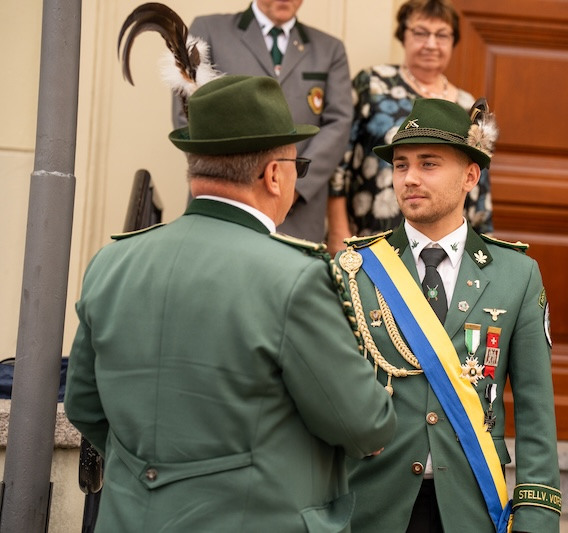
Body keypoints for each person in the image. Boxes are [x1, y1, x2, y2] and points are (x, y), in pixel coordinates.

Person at [66, 75, 397, 532]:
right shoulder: (293, 276)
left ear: (195, 169)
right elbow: (363, 423)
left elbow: (84, 404)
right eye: (297, 166)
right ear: (274, 175)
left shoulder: (111, 262)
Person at [335, 98, 560, 532]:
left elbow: (535, 411)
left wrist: (537, 517)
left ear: (470, 177)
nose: (410, 178)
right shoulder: (355, 270)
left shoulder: (516, 275)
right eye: (400, 165)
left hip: (471, 505)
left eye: (429, 164)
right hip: (372, 505)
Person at [172, 0, 352, 243]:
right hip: (225, 207)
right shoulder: (209, 31)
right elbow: (188, 114)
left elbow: (339, 123)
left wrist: (291, 185)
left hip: (298, 213)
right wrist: (238, 184)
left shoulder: (329, 49)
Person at [327, 0, 493, 253]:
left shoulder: (466, 105)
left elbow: (480, 179)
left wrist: (481, 243)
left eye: (442, 35)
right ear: (403, 36)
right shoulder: (373, 84)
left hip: (445, 247)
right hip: (371, 233)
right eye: (420, 32)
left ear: (453, 41)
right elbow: (338, 162)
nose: (431, 44)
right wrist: (338, 230)